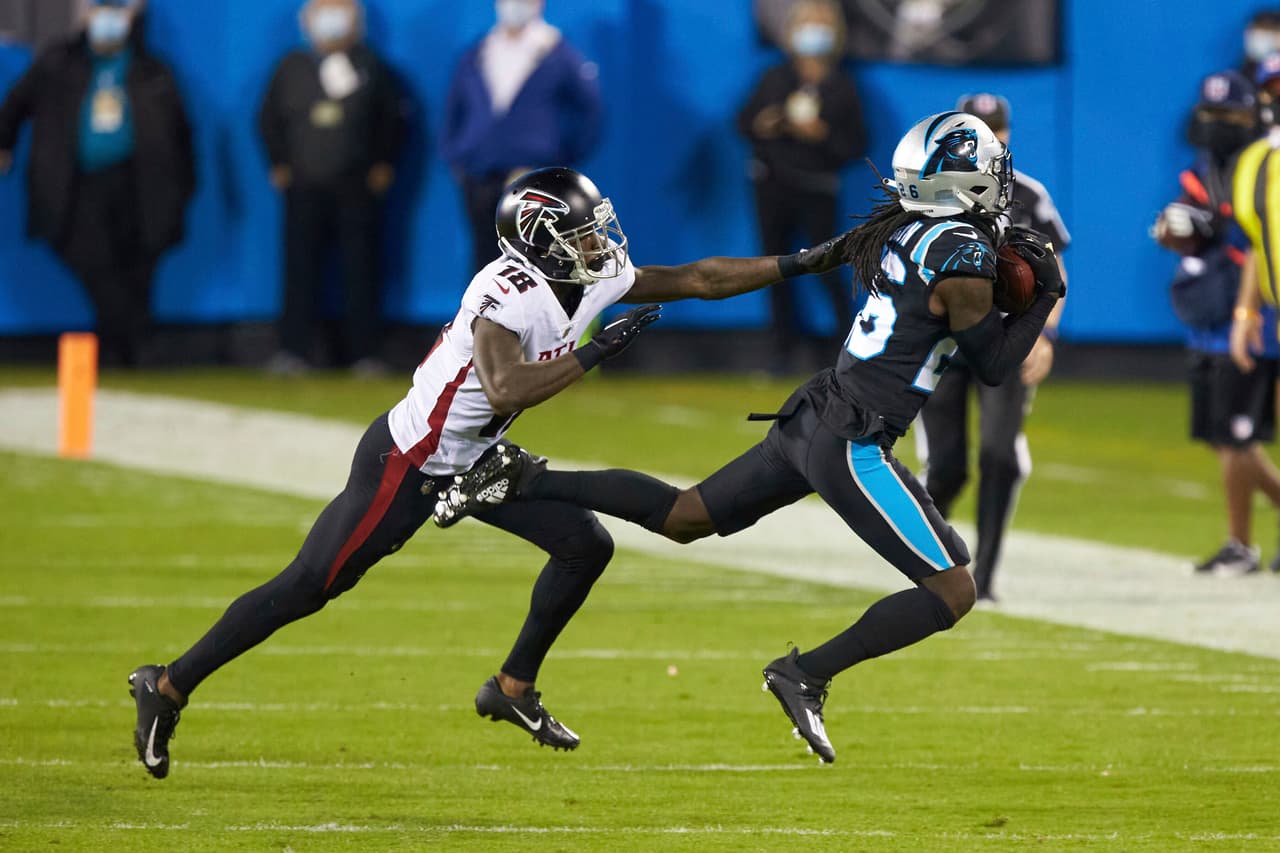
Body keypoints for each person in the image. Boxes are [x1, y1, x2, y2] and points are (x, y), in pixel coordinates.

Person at [126, 166, 854, 779]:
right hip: (411, 460)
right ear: (541, 243)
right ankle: (166, 683)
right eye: (583, 232)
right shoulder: (505, 291)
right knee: (311, 584)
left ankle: (513, 686)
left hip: (476, 460)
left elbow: (697, 276)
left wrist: (805, 261)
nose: (599, 244)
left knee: (584, 545)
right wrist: (598, 352)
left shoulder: (585, 272)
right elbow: (505, 388)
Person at [435, 113, 1066, 763]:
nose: (999, 175)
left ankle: (519, 477)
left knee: (684, 516)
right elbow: (992, 365)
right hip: (852, 439)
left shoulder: (904, 228)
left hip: (817, 412)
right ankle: (806, 673)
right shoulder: (962, 255)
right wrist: (1047, 293)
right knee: (953, 589)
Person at [911, 93, 1069, 602]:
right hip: (943, 342)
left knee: (1000, 455)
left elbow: (1054, 270)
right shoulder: (930, 193)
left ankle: (987, 579)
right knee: (948, 464)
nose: (992, 139)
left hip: (1004, 339)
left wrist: (1044, 334)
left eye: (996, 128)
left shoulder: (1027, 193)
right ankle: (925, 557)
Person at [0, 0, 194, 367]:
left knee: (137, 265)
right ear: (86, 16)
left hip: (138, 186)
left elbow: (181, 135)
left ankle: (125, 349)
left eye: (117, 10)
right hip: (78, 186)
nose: (108, 20)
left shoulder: (150, 70)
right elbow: (15, 104)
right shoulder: (59, 63)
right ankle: (127, 340)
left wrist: (183, 188)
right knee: (94, 264)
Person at [1155, 70, 1280, 576]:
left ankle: (1241, 543)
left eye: (1231, 116)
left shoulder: (1263, 166)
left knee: (1237, 434)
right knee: (1223, 435)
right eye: (1212, 116)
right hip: (1218, 314)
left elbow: (1254, 244)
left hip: (1256, 319)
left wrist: (1248, 314)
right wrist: (1180, 231)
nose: (1220, 126)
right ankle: (1241, 543)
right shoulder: (1221, 169)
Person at [258, 0, 408, 377]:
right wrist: (278, 163)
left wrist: (383, 164)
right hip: (304, 186)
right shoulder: (291, 66)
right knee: (299, 269)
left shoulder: (371, 66)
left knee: (361, 270)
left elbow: (392, 119)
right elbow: (268, 118)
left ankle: (365, 354)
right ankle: (293, 351)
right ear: (306, 20)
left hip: (355, 187)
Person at [737, 0, 866, 369]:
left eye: (822, 23)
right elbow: (743, 123)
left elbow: (856, 144)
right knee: (772, 269)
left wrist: (822, 134)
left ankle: (848, 346)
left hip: (817, 189)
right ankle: (783, 350)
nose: (813, 30)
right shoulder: (775, 78)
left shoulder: (842, 86)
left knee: (824, 266)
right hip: (771, 185)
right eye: (808, 22)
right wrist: (764, 125)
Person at [441, 0, 603, 274]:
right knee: (484, 261)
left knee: (536, 261)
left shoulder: (555, 51)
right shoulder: (480, 51)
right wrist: (458, 157)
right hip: (481, 176)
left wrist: (557, 161)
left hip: (532, 178)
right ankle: (484, 316)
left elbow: (591, 112)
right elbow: (454, 107)